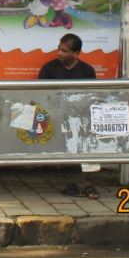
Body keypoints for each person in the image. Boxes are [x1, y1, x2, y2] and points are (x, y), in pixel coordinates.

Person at [38, 33, 101, 199]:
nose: (59, 53)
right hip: (55, 117)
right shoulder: (49, 69)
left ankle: (89, 185)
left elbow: (90, 98)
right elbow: (43, 97)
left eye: (64, 51)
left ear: (76, 53)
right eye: (59, 49)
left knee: (89, 140)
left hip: (80, 118)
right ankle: (69, 181)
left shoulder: (87, 71)